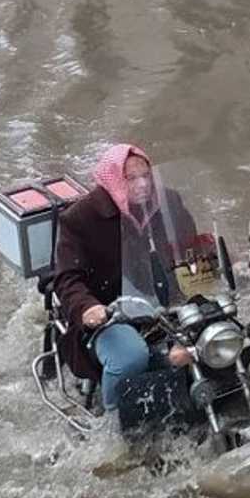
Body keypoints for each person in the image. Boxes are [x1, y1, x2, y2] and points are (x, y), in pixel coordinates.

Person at [51, 144, 196, 412]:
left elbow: (192, 248)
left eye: (146, 176)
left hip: (166, 303)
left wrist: (234, 266)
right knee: (130, 356)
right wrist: (87, 308)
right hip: (110, 314)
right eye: (131, 178)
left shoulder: (168, 202)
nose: (143, 185)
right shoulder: (80, 218)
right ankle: (115, 425)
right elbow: (67, 278)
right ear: (114, 180)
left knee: (217, 332)